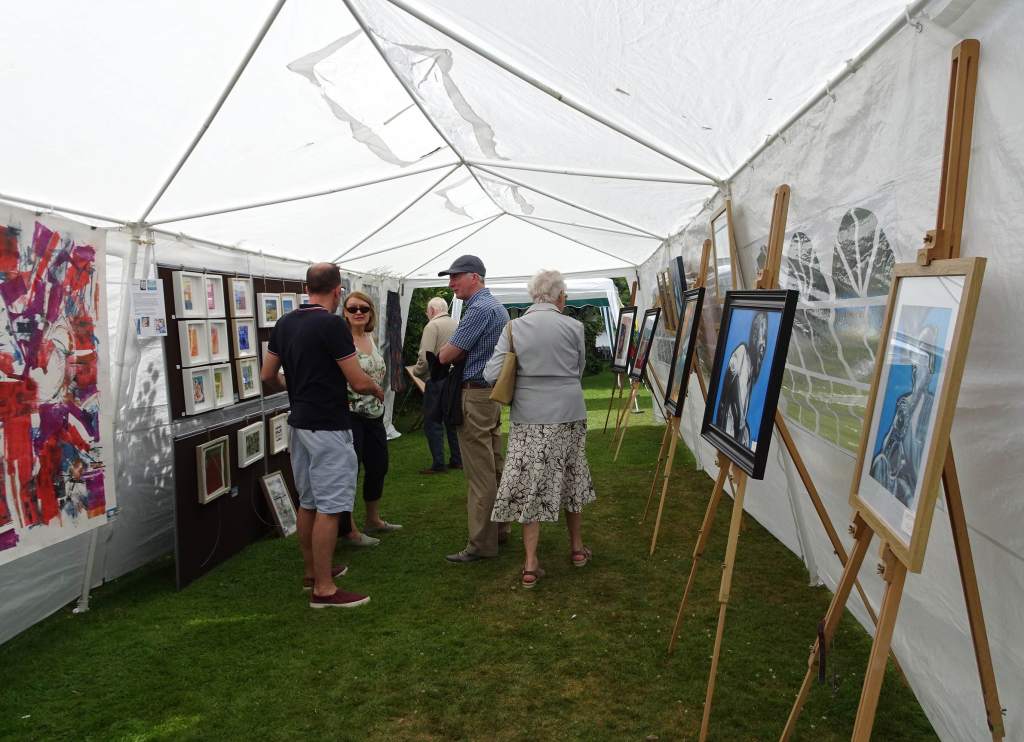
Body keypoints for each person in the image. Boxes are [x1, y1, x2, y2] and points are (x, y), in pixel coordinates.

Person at [261, 263, 384, 608]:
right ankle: (325, 590)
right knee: (330, 507)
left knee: (309, 502)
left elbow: (268, 374)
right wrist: (375, 388)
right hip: (329, 425)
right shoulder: (331, 324)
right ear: (337, 290)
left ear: (307, 287)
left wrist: (296, 387)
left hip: (298, 422)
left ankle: (312, 573)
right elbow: (357, 380)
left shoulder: (285, 323)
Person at [484, 270, 596, 588]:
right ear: (559, 296)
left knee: (530, 482)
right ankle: (576, 549)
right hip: (569, 409)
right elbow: (579, 369)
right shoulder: (574, 326)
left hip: (529, 414)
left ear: (534, 295)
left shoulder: (514, 327)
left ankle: (531, 563)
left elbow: (492, 373)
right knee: (571, 475)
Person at [436, 255, 510, 563]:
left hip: (475, 395)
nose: (451, 283)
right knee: (493, 466)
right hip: (490, 394)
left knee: (480, 474)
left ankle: (481, 544)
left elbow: (446, 355)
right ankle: (501, 530)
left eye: (456, 276)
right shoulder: (496, 306)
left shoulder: (479, 308)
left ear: (475, 278)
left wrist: (441, 352)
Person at [340, 290, 402, 540]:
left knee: (378, 467)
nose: (358, 313)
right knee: (350, 471)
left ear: (370, 314)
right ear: (344, 313)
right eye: (352, 308)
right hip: (351, 415)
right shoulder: (342, 341)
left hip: (375, 415)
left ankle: (373, 519)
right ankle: (348, 528)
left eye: (363, 309)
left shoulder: (370, 337)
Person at [412, 296, 462, 474]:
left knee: (432, 422)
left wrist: (416, 372)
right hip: (453, 379)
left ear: (432, 311)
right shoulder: (456, 324)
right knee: (451, 421)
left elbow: (425, 358)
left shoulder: (432, 326)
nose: (427, 315)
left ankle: (438, 464)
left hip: (436, 379)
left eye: (427, 312)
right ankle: (457, 459)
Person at [716, 311, 768, 448]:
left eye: (765, 338)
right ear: (754, 337)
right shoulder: (741, 353)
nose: (763, 345)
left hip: (734, 436)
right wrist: (741, 429)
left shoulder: (751, 370)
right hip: (727, 432)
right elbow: (730, 399)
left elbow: (742, 416)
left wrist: (744, 431)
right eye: (760, 336)